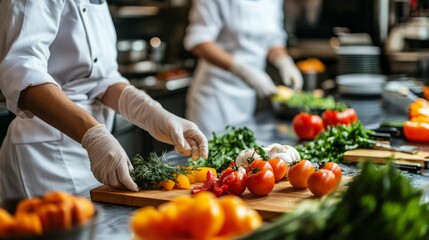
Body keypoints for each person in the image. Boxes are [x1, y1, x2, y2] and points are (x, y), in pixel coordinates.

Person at [0, 0, 208, 200]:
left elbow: (103, 79)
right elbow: (20, 72)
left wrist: (151, 113)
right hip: (45, 160)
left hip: (94, 158)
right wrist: (93, 135)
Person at [184, 0, 303, 136]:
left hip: (247, 95)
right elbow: (198, 41)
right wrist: (240, 69)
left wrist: (284, 61)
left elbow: (273, 40)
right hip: (215, 96)